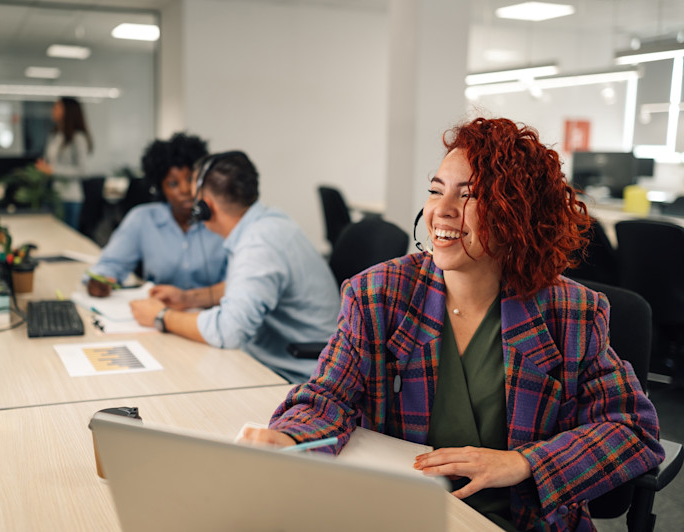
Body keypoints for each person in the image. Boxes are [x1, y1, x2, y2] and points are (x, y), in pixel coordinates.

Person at [239, 117, 665, 531]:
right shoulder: (379, 294)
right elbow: (327, 397)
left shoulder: (570, 311)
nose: (441, 211)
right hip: (405, 514)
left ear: (517, 213)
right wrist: (289, 438)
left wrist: (524, 463)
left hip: (519, 520)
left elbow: (633, 428)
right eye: (435, 191)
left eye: (469, 196)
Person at [130, 151, 340, 383]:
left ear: (204, 206)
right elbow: (249, 287)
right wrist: (189, 298)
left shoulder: (258, 243)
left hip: (302, 378)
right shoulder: (268, 221)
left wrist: (161, 316)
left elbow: (229, 331)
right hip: (287, 361)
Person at [86, 133, 226, 296]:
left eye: (190, 180)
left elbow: (236, 283)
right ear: (160, 188)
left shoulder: (223, 220)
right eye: (173, 184)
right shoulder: (142, 218)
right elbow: (111, 264)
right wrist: (101, 279)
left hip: (211, 310)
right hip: (156, 306)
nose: (185, 190)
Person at [35, 97, 92, 230]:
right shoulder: (54, 135)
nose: (53, 110)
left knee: (68, 236)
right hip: (52, 195)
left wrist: (52, 170)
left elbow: (83, 170)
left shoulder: (78, 138)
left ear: (68, 111)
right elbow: (49, 161)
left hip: (70, 197)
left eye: (57, 107)